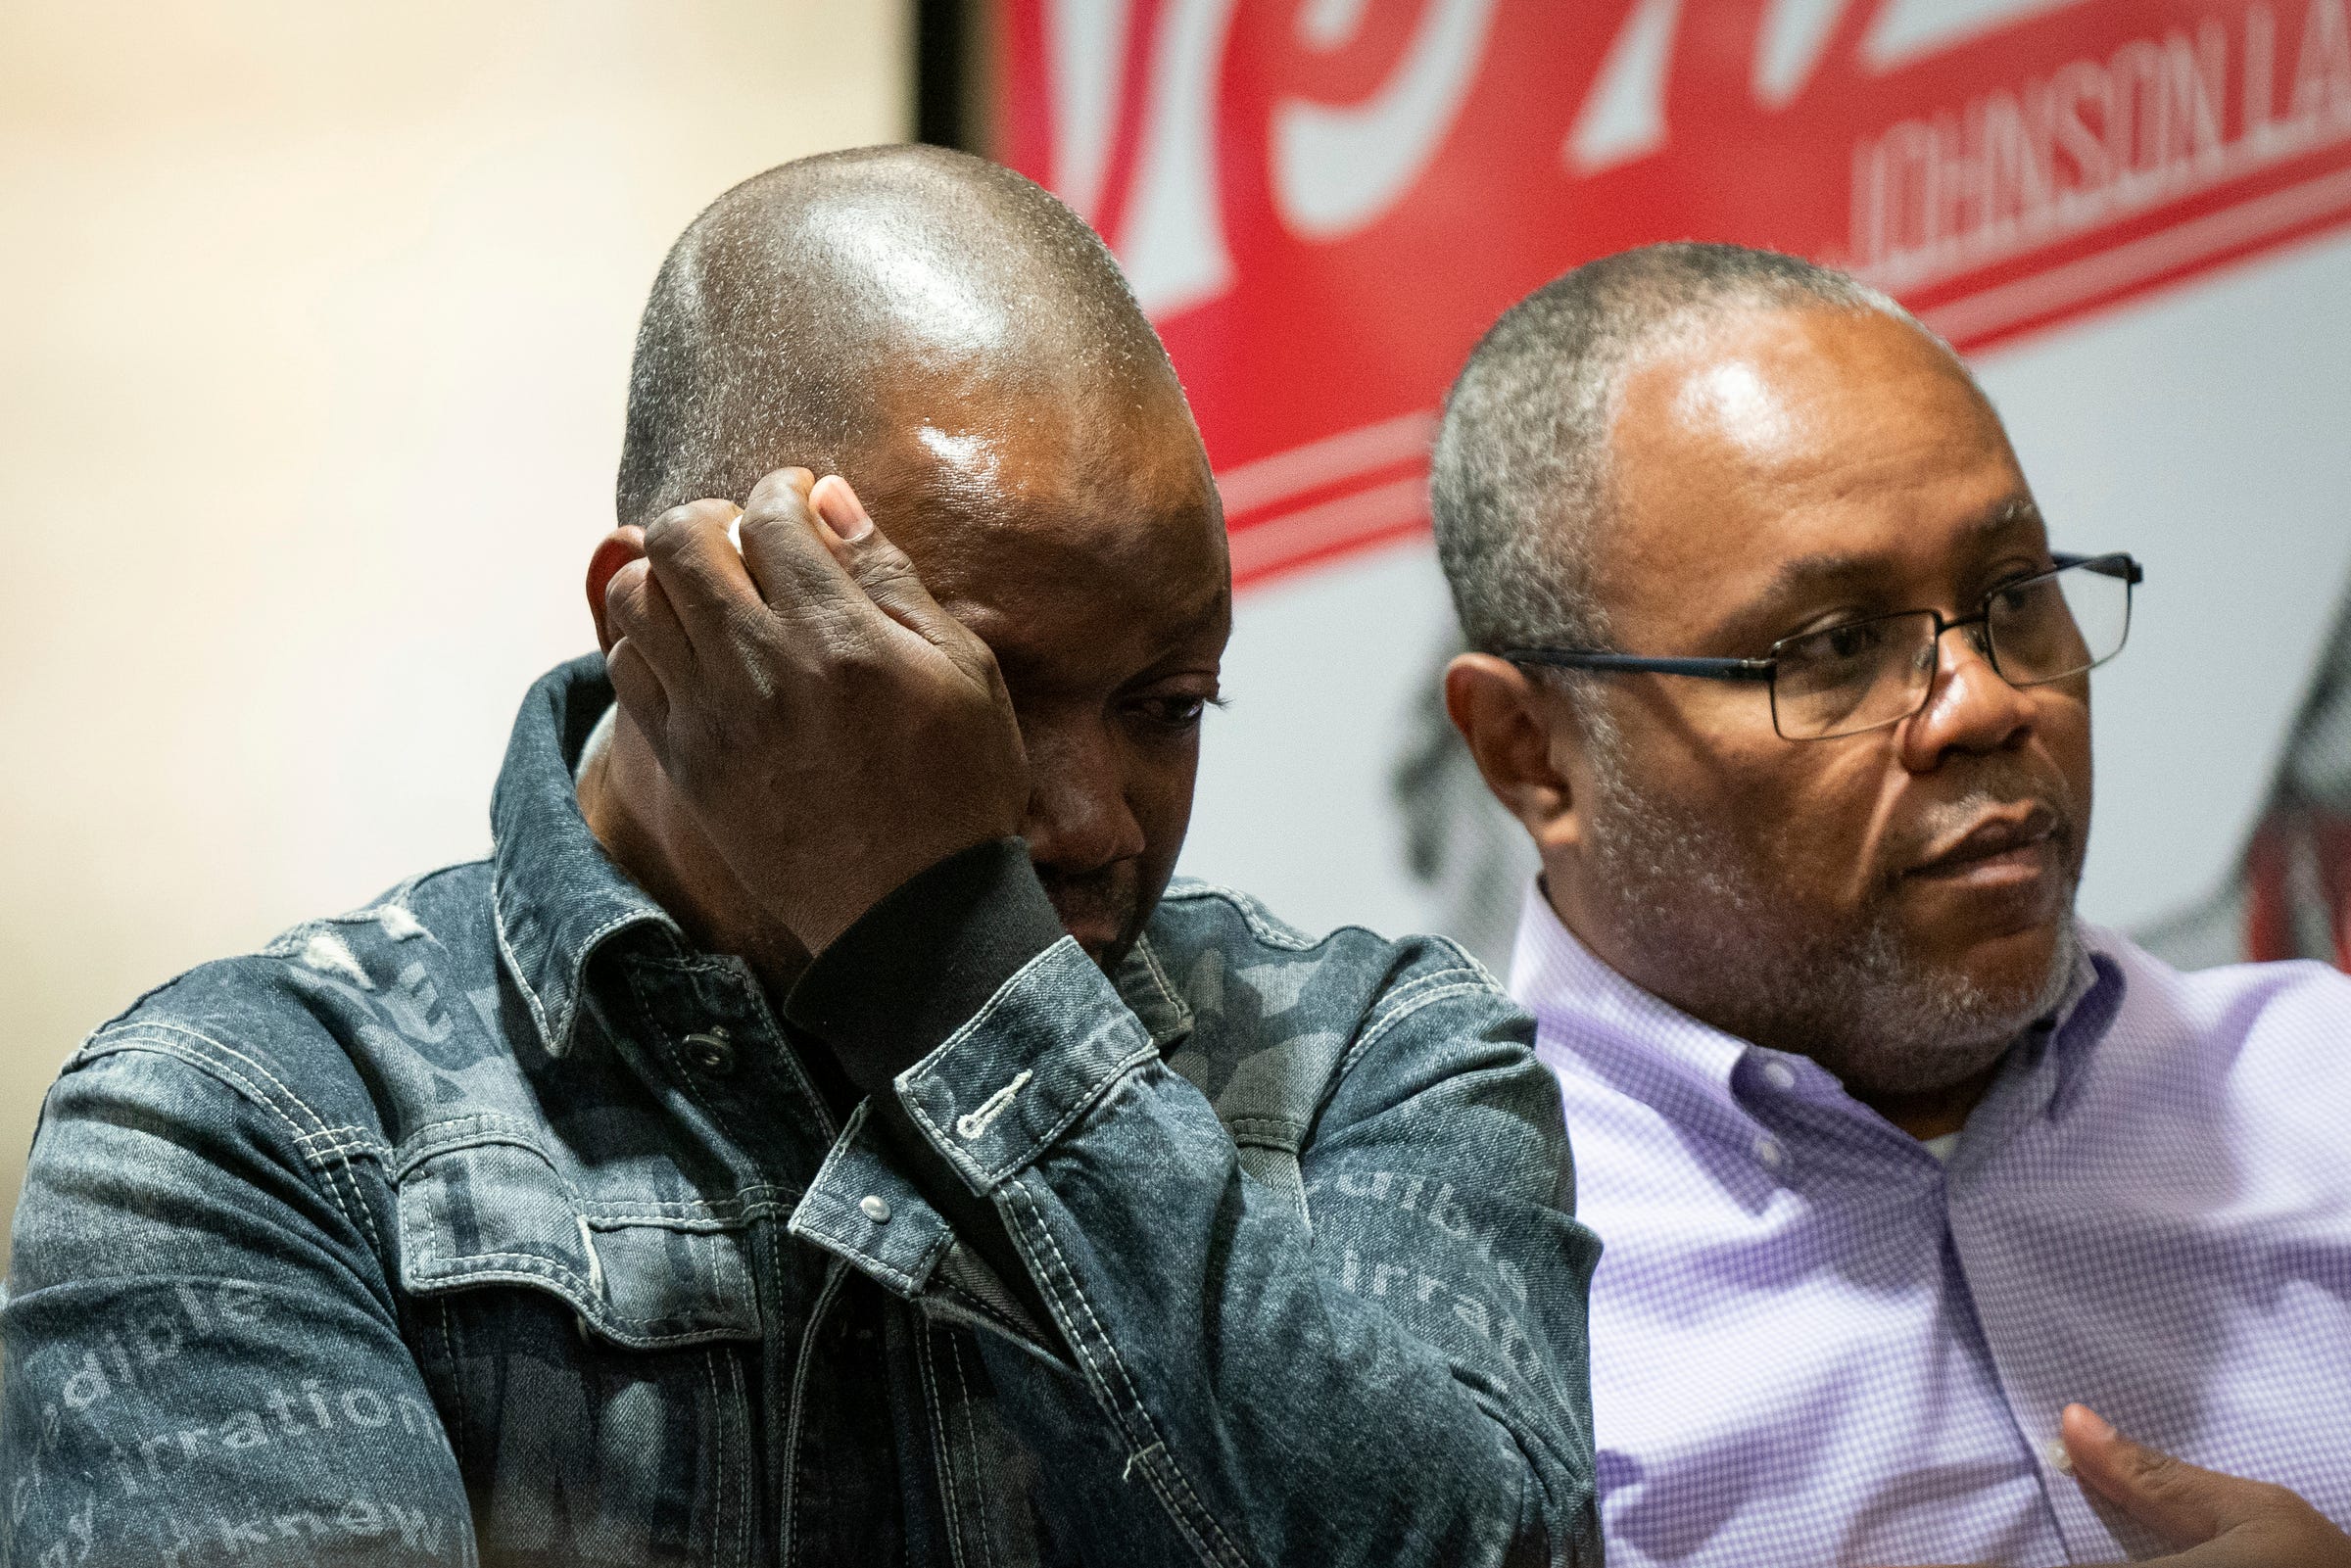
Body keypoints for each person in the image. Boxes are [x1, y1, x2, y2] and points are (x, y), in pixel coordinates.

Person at [0, 146, 1601, 1567]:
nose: (1099, 819)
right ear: (667, 619)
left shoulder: (1369, 1056)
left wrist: (956, 966)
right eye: (972, 691)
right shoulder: (255, 1112)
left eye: (1168, 705)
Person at [1432, 242, 2351, 1567]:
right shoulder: (1437, 1317)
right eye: (1834, 648)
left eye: (2016, 597)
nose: (1986, 701)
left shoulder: (2321, 1092)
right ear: (1533, 749)